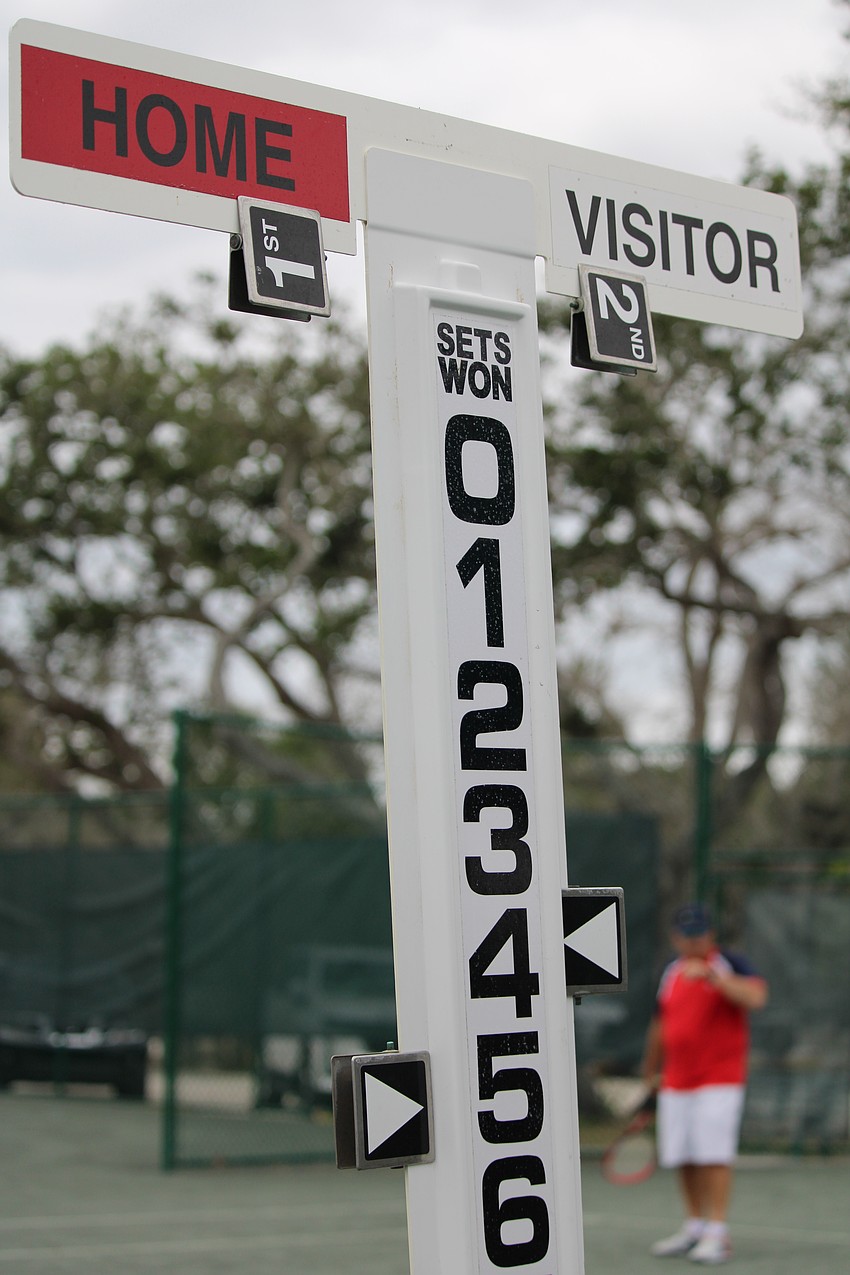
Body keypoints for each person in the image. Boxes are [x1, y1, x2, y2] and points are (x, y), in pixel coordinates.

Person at [642, 902, 768, 1265]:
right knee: (682, 1155)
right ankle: (695, 1226)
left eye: (699, 934)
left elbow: (757, 997)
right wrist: (650, 1071)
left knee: (714, 1154)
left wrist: (714, 977)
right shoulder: (670, 972)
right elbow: (660, 1024)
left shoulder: (730, 963)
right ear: (676, 938)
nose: (694, 941)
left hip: (719, 1079)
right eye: (687, 935)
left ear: (710, 935)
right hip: (677, 1080)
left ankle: (717, 1232)